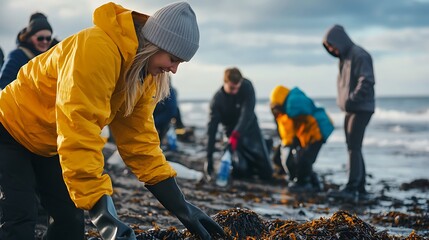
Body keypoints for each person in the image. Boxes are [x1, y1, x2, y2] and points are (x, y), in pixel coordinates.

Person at [0, 2, 225, 240]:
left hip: (50, 142)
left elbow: (140, 142)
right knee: (20, 217)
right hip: (10, 129)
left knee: (70, 221)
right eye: (173, 58)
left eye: (181, 62)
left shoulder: (142, 75)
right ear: (155, 44)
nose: (175, 69)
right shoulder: (95, 49)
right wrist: (104, 216)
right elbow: (79, 127)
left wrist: (181, 206)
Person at [322, 24, 375, 201]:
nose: (331, 49)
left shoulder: (359, 55)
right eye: (328, 47)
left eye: (331, 45)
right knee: (354, 147)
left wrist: (352, 99)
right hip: (351, 109)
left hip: (361, 108)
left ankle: (352, 188)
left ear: (339, 40)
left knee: (353, 146)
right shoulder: (344, 58)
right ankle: (359, 187)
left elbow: (367, 80)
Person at [206, 67, 273, 181]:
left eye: (238, 88)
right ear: (225, 83)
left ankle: (266, 144)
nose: (235, 91)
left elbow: (247, 113)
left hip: (250, 127)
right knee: (240, 171)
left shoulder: (247, 86)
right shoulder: (217, 101)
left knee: (267, 173)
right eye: (232, 88)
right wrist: (209, 158)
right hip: (230, 131)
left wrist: (236, 135)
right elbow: (212, 130)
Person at [270, 85, 334, 192]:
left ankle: (304, 183)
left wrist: (290, 142)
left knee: (305, 159)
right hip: (315, 131)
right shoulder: (291, 103)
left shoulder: (292, 105)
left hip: (318, 130)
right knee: (304, 158)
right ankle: (312, 183)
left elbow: (293, 125)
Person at [0, 12, 53, 89]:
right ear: (30, 37)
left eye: (48, 38)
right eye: (40, 38)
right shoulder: (17, 56)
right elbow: (5, 83)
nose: (44, 42)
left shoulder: (54, 55)